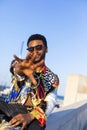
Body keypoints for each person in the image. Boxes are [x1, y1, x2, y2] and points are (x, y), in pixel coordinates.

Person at [1, 34, 59, 130]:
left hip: (30, 113)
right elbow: (15, 67)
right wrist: (20, 69)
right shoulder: (22, 63)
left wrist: (29, 116)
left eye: (39, 48)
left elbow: (50, 102)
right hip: (10, 107)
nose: (35, 52)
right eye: (31, 49)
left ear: (46, 49)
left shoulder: (51, 77)